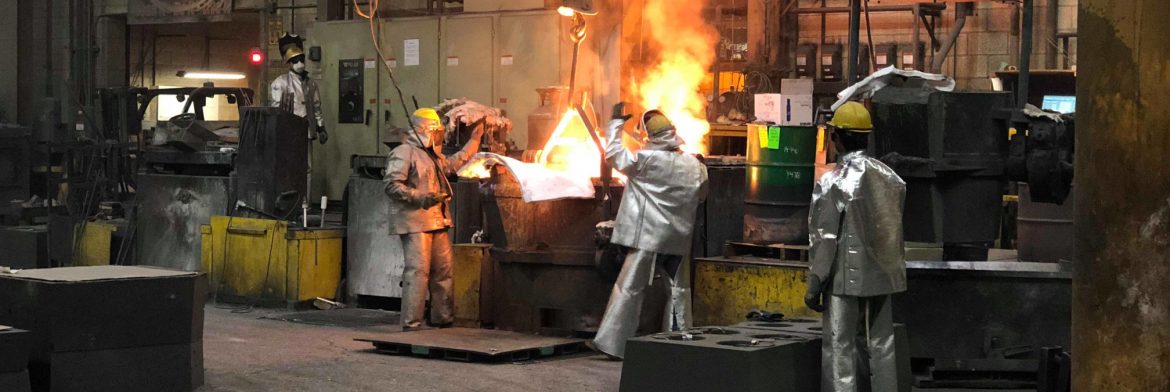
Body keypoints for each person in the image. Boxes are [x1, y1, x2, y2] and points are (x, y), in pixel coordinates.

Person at [589, 103, 709, 359]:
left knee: (629, 288)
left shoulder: (644, 161)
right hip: (678, 240)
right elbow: (702, 195)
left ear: (649, 137)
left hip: (648, 239)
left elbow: (613, 154)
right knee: (679, 291)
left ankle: (613, 343)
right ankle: (678, 341)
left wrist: (615, 124)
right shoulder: (694, 166)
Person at [805, 101, 907, 392]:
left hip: (844, 278)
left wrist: (815, 281)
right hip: (884, 274)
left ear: (836, 137)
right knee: (882, 343)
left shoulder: (832, 182)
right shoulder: (891, 178)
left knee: (840, 346)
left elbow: (824, 238)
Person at [384, 108, 483, 330]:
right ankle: (412, 323)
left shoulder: (432, 155)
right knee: (418, 272)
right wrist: (422, 198)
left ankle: (442, 318)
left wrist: (474, 140)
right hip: (415, 221)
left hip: (437, 220)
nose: (441, 134)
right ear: (427, 130)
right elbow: (391, 185)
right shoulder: (404, 152)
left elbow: (454, 164)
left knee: (444, 271)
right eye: (438, 130)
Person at [270, 46, 328, 144]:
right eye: (295, 60)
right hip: (289, 133)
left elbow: (317, 107)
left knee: (307, 158)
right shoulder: (281, 82)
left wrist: (321, 127)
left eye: (301, 59)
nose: (299, 63)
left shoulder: (311, 83)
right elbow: (276, 110)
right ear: (290, 63)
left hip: (307, 130)